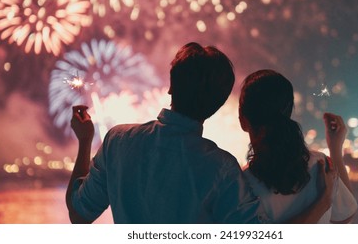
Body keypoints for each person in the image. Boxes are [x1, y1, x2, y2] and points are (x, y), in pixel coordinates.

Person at [66, 42, 335, 224]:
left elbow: (79, 214)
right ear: (217, 106)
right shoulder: (222, 169)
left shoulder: (118, 142)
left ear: (171, 87)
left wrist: (85, 141)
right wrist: (323, 203)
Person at [239, 69, 358, 224]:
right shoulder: (319, 165)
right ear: (288, 113)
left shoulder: (240, 183)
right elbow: (345, 216)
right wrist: (335, 150)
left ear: (243, 120)